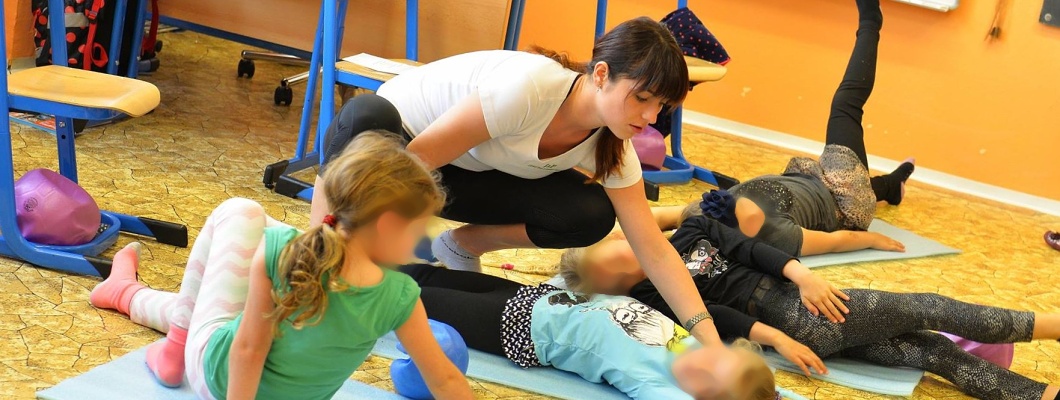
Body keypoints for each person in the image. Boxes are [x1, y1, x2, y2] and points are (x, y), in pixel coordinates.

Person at [313, 17, 724, 346]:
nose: (651, 117)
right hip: (399, 147)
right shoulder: (531, 89)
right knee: (368, 116)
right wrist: (370, 256)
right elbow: (415, 164)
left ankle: (460, 245)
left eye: (661, 106)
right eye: (642, 98)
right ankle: (317, 260)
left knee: (592, 212)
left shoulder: (614, 143)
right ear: (601, 74)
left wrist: (708, 339)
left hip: (464, 170)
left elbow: (653, 248)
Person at [89, 133, 474, 400]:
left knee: (241, 211)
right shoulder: (401, 297)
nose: (422, 240)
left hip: (217, 379)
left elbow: (248, 349)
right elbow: (444, 379)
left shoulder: (281, 254)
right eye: (419, 228)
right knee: (247, 273)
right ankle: (128, 295)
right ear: (388, 226)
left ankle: (168, 342)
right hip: (243, 368)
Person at [694, 0, 915, 258]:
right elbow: (835, 241)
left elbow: (669, 216)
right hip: (843, 200)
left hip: (811, 181)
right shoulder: (775, 235)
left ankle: (893, 186)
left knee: (854, 179)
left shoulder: (708, 213)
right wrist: (873, 240)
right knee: (845, 104)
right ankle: (871, 23)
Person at [397, 264, 781, 400]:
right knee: (431, 275)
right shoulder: (693, 349)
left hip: (521, 327)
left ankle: (359, 285)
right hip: (544, 296)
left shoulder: (659, 385)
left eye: (710, 375)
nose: (706, 360)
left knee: (409, 297)